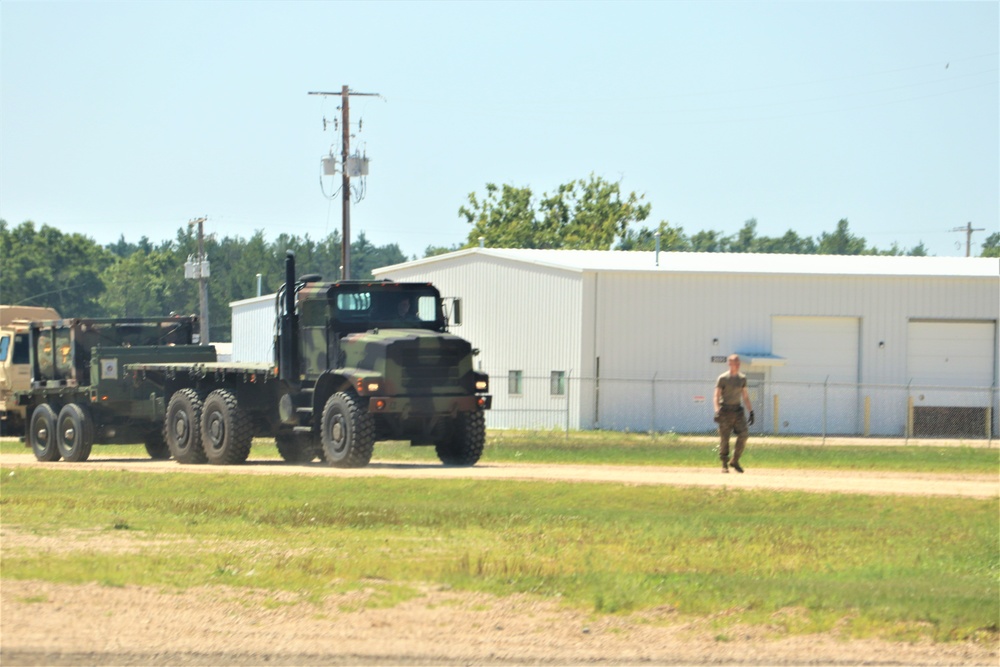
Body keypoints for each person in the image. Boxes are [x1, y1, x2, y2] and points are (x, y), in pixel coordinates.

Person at [713, 354, 754, 473]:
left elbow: (745, 397)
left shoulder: (742, 378)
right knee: (724, 438)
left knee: (744, 435)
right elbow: (716, 396)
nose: (736, 364)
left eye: (738, 362)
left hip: (738, 411)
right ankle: (724, 464)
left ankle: (735, 460)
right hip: (725, 411)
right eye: (734, 362)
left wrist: (751, 411)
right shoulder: (723, 378)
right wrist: (717, 411)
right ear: (729, 364)